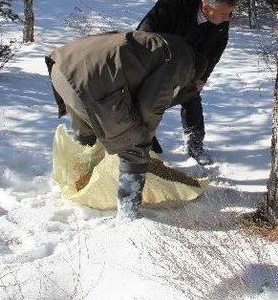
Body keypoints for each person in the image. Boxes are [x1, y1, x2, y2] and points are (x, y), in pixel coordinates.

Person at [45, 31, 205, 220]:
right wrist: (143, 142)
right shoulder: (183, 63)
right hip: (91, 82)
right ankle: (129, 211)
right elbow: (149, 107)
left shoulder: (166, 44)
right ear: (198, 74)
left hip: (62, 67)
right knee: (133, 142)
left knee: (88, 132)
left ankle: (81, 177)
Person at [137, 0, 235, 165]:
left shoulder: (221, 17)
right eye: (223, 13)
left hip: (192, 59)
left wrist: (202, 77)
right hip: (158, 57)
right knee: (150, 100)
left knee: (192, 95)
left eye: (230, 13)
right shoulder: (173, 3)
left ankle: (195, 142)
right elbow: (144, 35)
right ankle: (146, 138)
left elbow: (216, 50)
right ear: (206, 8)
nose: (228, 18)